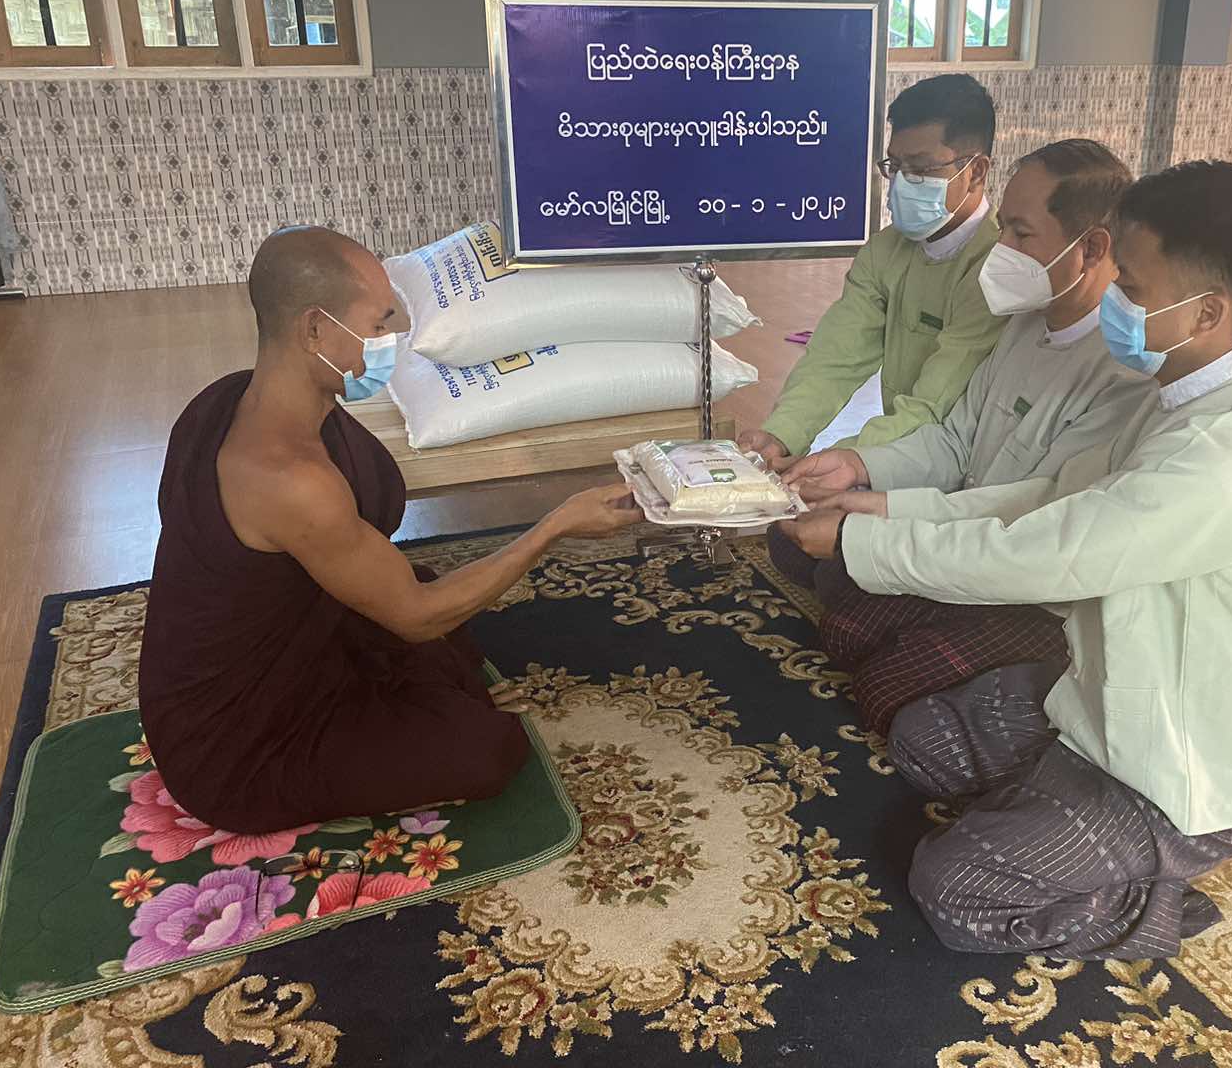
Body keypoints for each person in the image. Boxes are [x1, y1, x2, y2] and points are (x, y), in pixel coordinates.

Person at [783, 161, 1232, 957]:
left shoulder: (1226, 453)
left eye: (1132, 287)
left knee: (954, 889)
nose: (1117, 302)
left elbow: (1045, 554)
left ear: (1207, 311)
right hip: (1099, 706)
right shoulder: (1180, 401)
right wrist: (884, 507)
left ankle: (1160, 889)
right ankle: (1066, 831)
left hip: (1168, 772)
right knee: (924, 740)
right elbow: (1048, 499)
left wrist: (864, 542)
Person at [138, 227, 644, 836]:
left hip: (278, 648)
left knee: (423, 593)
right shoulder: (287, 477)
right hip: (237, 748)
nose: (391, 339)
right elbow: (416, 617)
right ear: (315, 329)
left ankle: (402, 696)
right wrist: (555, 525)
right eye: (378, 324)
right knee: (485, 750)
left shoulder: (225, 398)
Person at [765, 140, 1148, 734]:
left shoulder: (1123, 373)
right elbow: (953, 441)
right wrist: (857, 468)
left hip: (1030, 582)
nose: (1001, 249)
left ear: (1092, 248)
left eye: (1020, 234)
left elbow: (1032, 522)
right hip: (957, 532)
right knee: (817, 571)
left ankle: (1044, 682)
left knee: (888, 691)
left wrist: (881, 519)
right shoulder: (1025, 326)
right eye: (1003, 229)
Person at [737, 73, 1007, 469]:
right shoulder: (886, 250)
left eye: (921, 169)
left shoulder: (996, 269)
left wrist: (844, 461)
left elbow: (932, 405)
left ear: (977, 171)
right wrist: (782, 435)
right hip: (899, 449)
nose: (903, 183)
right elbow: (836, 355)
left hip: (969, 463)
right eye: (895, 166)